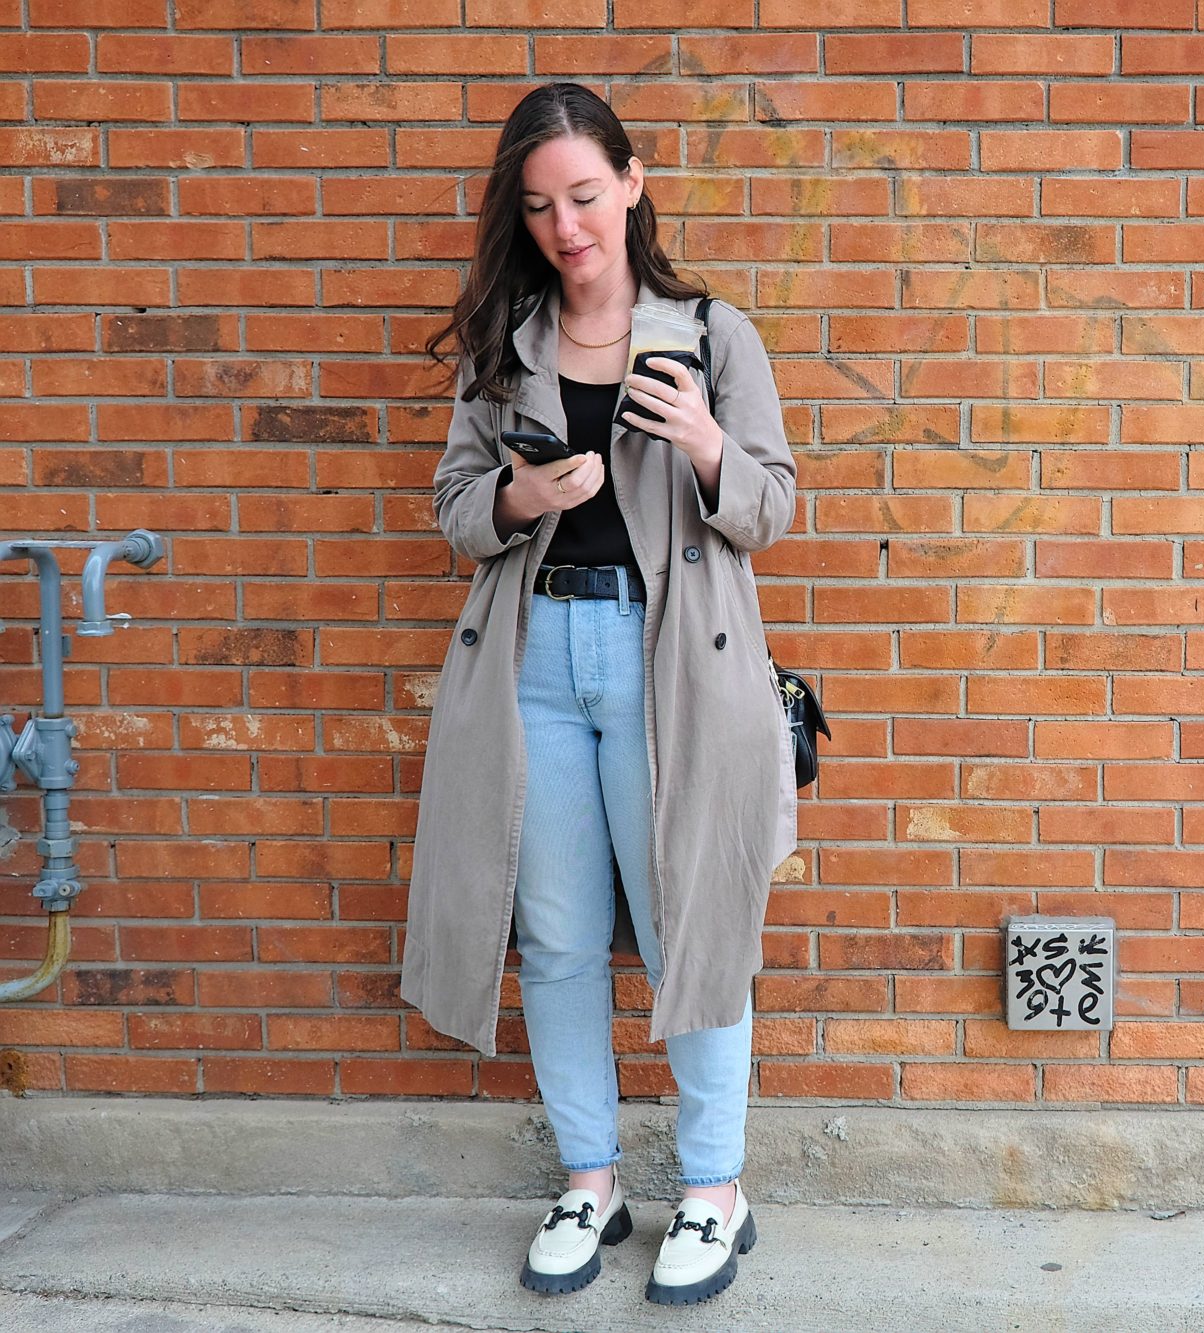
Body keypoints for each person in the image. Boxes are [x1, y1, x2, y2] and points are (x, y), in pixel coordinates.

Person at [399, 82, 799, 1306]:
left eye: (583, 194)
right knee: (557, 938)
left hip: (668, 664)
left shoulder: (711, 331)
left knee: (695, 924)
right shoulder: (504, 346)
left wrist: (704, 445)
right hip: (533, 663)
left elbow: (776, 506)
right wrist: (522, 500)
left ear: (631, 183)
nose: (567, 226)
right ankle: (590, 1176)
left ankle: (713, 1187)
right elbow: (457, 506)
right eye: (540, 207)